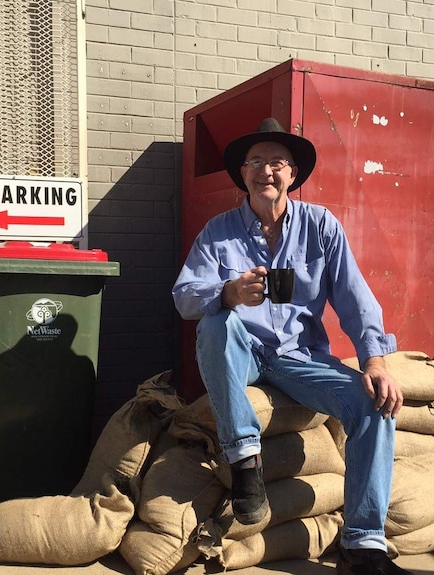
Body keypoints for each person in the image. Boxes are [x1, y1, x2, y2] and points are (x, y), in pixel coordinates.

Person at [172, 118, 413, 575]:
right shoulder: (217, 232)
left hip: (298, 357)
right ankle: (245, 461)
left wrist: (375, 361)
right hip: (239, 352)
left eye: (277, 162)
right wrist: (227, 293)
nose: (267, 171)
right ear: (242, 174)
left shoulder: (321, 226)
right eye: (256, 162)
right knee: (214, 325)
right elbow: (184, 297)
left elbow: (355, 297)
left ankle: (363, 547)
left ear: (293, 174)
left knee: (374, 404)